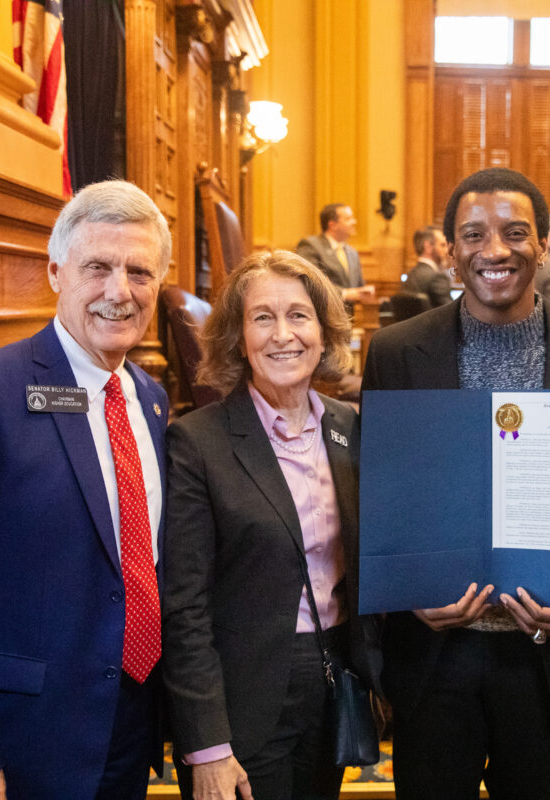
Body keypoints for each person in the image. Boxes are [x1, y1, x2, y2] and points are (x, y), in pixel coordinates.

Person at [361, 167, 550, 800]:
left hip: (545, 652)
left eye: (515, 232)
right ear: (451, 250)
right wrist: (407, 595)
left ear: (543, 244)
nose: (494, 250)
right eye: (473, 234)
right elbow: (384, 495)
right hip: (436, 653)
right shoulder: (397, 352)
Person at [0, 180, 171, 799]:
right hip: (14, 748)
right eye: (97, 267)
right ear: (55, 272)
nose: (118, 291)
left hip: (127, 733)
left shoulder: (150, 400)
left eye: (139, 272)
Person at [162, 250, 381, 800]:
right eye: (263, 318)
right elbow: (184, 607)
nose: (283, 334)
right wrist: (207, 745)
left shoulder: (347, 427)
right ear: (238, 337)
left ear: (324, 331)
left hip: (331, 682)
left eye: (299, 316)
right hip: (242, 699)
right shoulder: (198, 442)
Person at [297, 203, 375, 305]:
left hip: (350, 317)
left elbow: (358, 286)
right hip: (323, 314)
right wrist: (344, 294)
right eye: (348, 219)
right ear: (333, 225)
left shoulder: (352, 253)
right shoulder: (310, 245)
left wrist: (364, 292)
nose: (354, 222)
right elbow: (309, 281)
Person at [401, 225, 453, 307]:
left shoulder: (410, 276)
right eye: (442, 245)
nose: (447, 251)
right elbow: (453, 315)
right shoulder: (438, 277)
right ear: (428, 247)